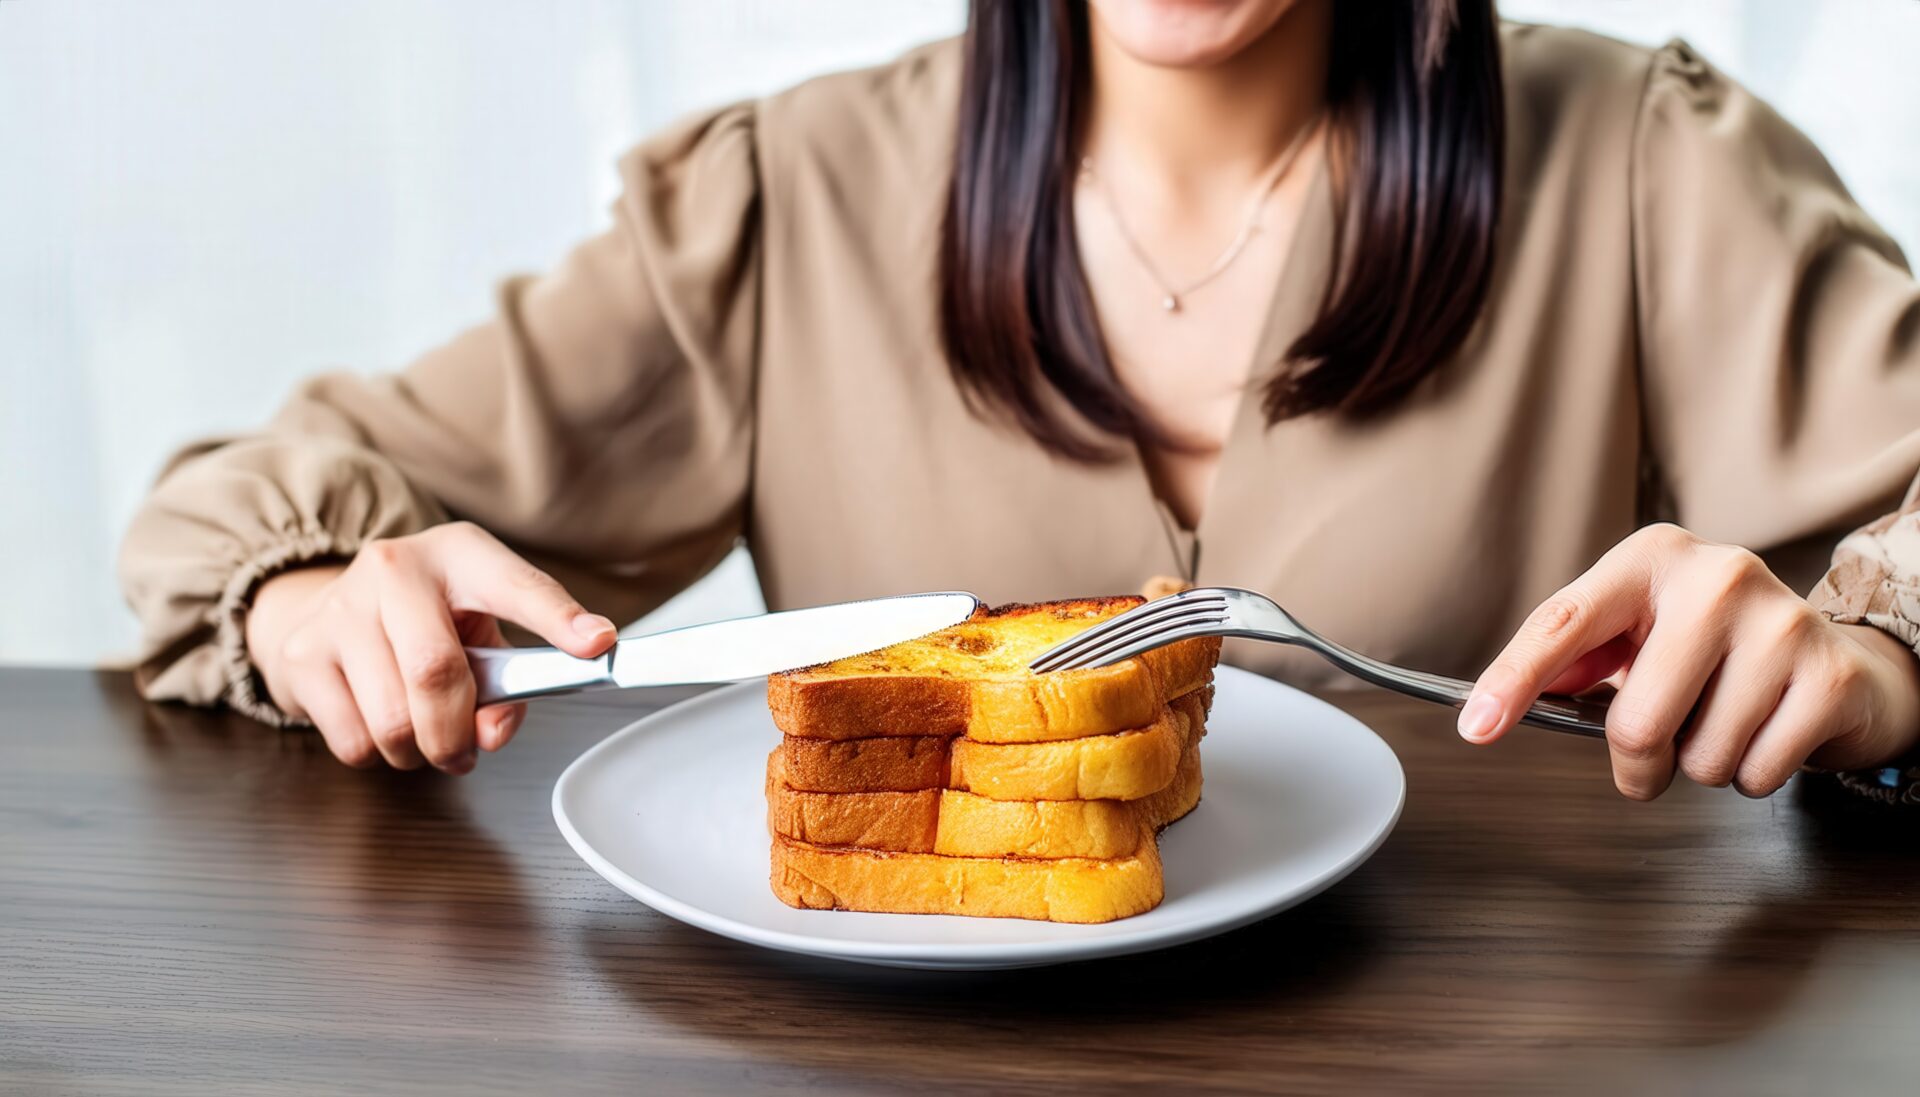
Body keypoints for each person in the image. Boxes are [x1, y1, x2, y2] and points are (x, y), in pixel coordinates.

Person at [119, 0, 1920, 808]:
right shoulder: (786, 194)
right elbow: (244, 507)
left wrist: (1874, 655)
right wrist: (311, 597)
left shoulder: (1641, 157)